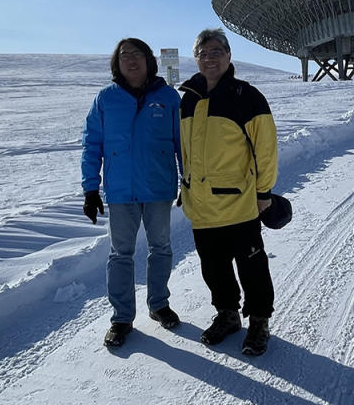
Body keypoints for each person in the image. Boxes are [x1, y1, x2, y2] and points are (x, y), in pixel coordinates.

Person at [178, 28, 278, 356]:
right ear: (196, 58)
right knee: (213, 267)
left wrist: (264, 192)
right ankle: (227, 315)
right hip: (202, 206)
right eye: (203, 53)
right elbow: (185, 151)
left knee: (252, 266)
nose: (210, 58)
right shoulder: (188, 98)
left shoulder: (246, 97)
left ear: (228, 56)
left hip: (240, 203)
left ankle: (259, 321)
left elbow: (266, 149)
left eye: (216, 52)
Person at [81, 38, 183, 348]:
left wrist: (188, 180)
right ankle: (122, 317)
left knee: (161, 247)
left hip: (158, 187)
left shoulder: (168, 98)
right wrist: (90, 189)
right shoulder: (105, 99)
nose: (131, 61)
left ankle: (159, 304)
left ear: (149, 60)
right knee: (120, 254)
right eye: (125, 56)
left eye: (137, 54)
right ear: (117, 63)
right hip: (120, 191)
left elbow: (183, 143)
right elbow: (92, 144)